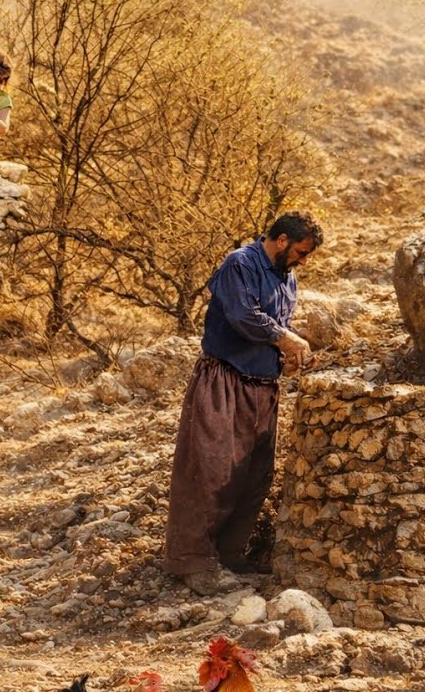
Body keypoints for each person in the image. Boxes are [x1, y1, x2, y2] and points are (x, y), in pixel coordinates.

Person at [163, 211, 324, 595]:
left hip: (262, 386)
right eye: (301, 252)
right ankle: (192, 561)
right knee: (210, 469)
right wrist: (286, 338)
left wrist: (289, 354)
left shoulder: (288, 277)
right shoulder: (240, 263)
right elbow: (242, 317)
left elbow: (274, 325)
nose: (303, 261)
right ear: (282, 240)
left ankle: (229, 554)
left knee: (253, 474)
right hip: (224, 380)